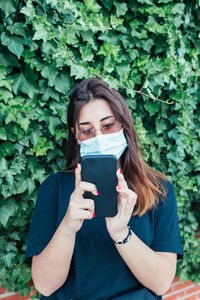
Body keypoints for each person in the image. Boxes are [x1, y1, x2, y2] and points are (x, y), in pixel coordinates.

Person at [25, 78, 184, 300]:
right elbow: (44, 285)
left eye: (108, 125)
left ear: (124, 125)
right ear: (77, 137)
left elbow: (161, 283)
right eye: (87, 130)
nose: (98, 137)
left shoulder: (158, 189)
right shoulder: (54, 189)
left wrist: (121, 233)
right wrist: (68, 226)